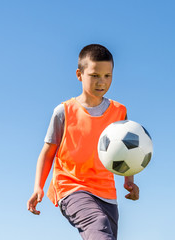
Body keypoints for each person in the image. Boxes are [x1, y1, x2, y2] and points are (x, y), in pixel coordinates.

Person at [27, 44, 139, 240]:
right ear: (79, 74)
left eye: (107, 76)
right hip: (71, 187)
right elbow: (47, 153)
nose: (101, 82)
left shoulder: (119, 112)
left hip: (107, 193)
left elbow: (126, 151)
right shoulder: (64, 112)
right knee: (98, 225)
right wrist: (38, 187)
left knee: (107, 235)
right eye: (95, 75)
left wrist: (129, 181)